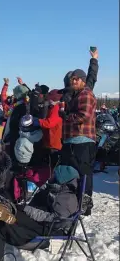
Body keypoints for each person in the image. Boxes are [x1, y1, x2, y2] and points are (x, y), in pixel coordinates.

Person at [0, 165, 80, 261]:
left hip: (47, 230)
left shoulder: (67, 198)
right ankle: (6, 208)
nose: (51, 176)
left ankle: (7, 210)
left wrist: (30, 211)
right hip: (38, 223)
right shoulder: (56, 190)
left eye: (54, 175)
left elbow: (59, 221)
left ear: (62, 179)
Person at [60, 69, 97, 216]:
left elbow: (84, 116)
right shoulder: (76, 95)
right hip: (72, 140)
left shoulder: (86, 94)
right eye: (72, 79)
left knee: (83, 174)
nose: (73, 81)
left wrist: (66, 116)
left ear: (82, 80)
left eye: (76, 79)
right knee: (72, 174)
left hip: (82, 140)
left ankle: (84, 205)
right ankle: (74, 203)